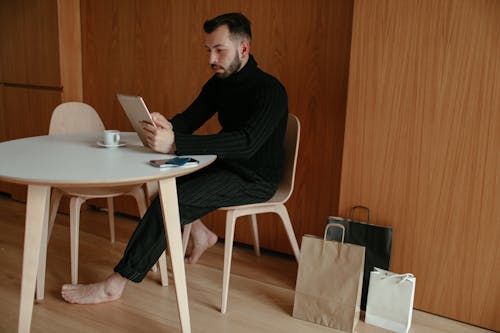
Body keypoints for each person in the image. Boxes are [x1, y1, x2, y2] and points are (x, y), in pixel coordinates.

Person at [61, 12, 288, 304]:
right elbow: (190, 118)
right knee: (162, 179)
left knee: (173, 202)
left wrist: (176, 143)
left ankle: (114, 285)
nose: (211, 59)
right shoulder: (219, 82)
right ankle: (202, 234)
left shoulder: (270, 91)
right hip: (225, 165)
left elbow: (247, 143)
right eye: (209, 50)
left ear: (244, 49)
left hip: (255, 177)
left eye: (220, 50)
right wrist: (165, 125)